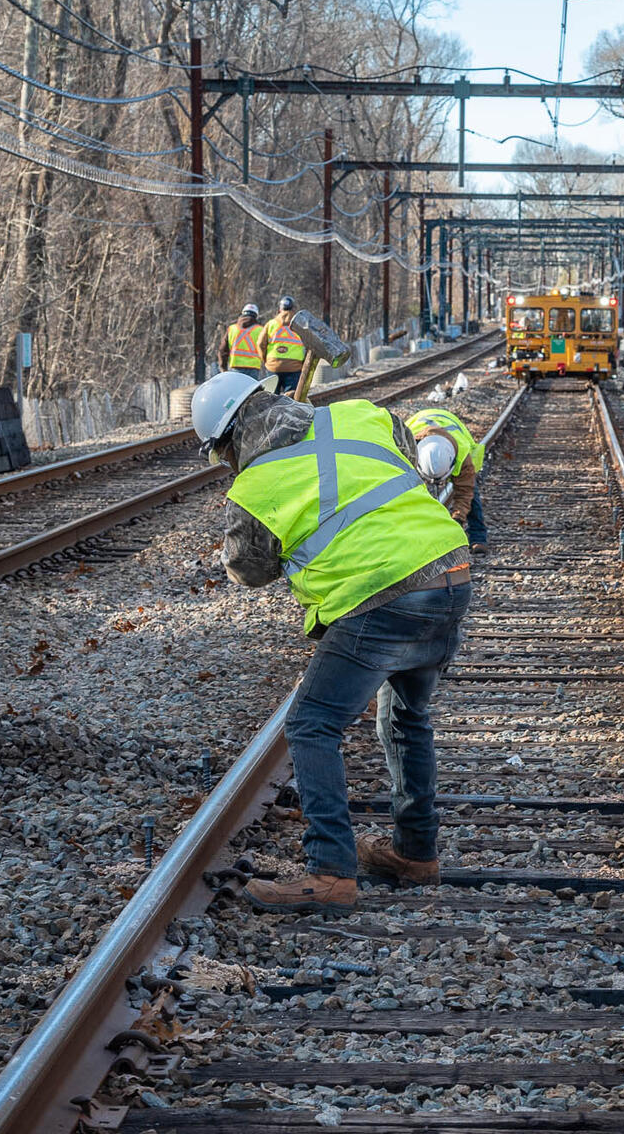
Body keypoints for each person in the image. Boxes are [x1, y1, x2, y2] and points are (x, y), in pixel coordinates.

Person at [192, 368, 471, 911]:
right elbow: (406, 445)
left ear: (228, 443)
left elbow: (248, 569)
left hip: (382, 595)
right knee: (406, 717)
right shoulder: (361, 414)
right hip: (450, 571)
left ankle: (330, 871)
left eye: (221, 455)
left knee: (311, 724)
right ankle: (416, 853)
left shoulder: (254, 488)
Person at [405, 403, 488, 544]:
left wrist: (458, 518)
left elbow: (464, 492)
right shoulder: (405, 450)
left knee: (471, 491)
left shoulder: (462, 455)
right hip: (420, 421)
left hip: (449, 423)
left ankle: (478, 536)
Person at [261, 296, 310, 395]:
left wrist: (265, 359)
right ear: (294, 309)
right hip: (294, 367)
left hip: (272, 366)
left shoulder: (271, 324)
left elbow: (260, 343)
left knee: (271, 398)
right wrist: (304, 362)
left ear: (280, 309)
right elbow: (309, 345)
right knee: (291, 399)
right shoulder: (301, 325)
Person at [218, 304, 266, 377]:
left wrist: (223, 368)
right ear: (256, 315)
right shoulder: (261, 330)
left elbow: (223, 350)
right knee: (252, 388)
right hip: (253, 369)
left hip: (235, 368)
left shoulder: (232, 329)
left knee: (237, 388)